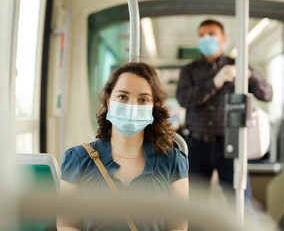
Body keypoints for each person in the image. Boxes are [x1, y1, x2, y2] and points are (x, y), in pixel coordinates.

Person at [57, 62, 189, 231]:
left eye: (143, 100)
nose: (132, 107)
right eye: (122, 97)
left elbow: (178, 226)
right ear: (109, 101)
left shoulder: (172, 162)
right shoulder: (78, 158)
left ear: (153, 108)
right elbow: (67, 223)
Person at [176, 19, 272, 204]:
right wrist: (215, 82)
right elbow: (184, 99)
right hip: (197, 144)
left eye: (211, 34)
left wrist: (250, 74)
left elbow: (267, 94)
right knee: (195, 206)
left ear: (223, 38)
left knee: (240, 203)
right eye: (202, 35)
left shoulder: (238, 65)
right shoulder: (190, 70)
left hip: (231, 144)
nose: (206, 39)